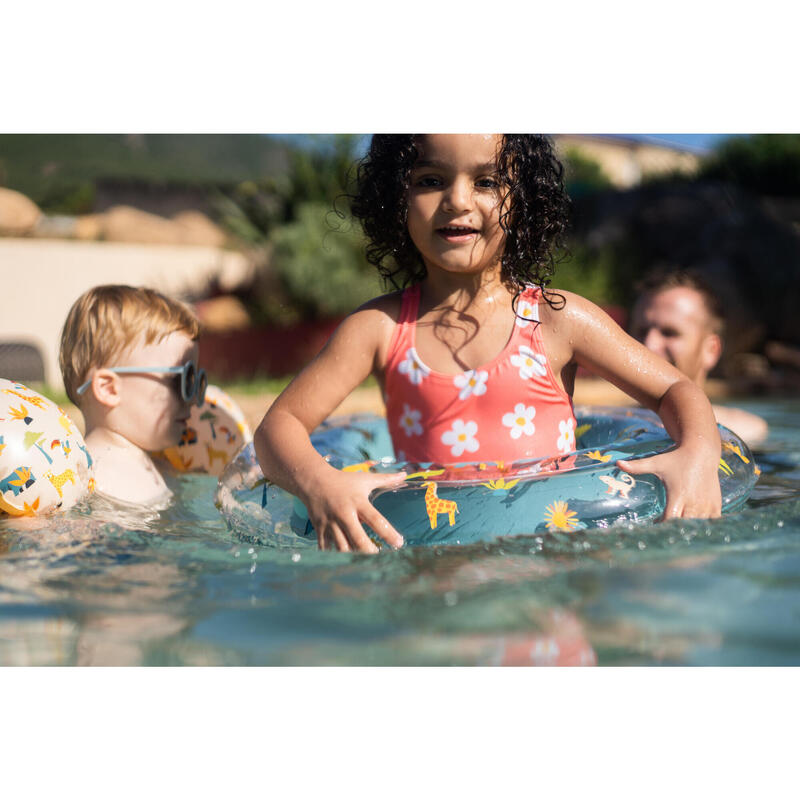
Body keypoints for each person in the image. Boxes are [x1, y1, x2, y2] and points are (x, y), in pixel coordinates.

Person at [254, 134, 723, 554]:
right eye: (430, 179)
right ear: (395, 197)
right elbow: (279, 426)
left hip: (551, 564)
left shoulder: (557, 319)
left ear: (523, 201)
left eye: (487, 182)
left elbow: (676, 391)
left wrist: (699, 453)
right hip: (430, 565)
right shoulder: (379, 327)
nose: (457, 200)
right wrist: (319, 483)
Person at [59, 284, 206, 506]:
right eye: (182, 380)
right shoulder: (90, 479)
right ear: (109, 389)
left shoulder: (158, 466)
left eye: (196, 381)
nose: (194, 399)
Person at [630, 269, 768, 448]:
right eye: (641, 331)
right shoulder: (603, 422)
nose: (649, 345)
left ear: (710, 350)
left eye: (669, 333)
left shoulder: (744, 433)